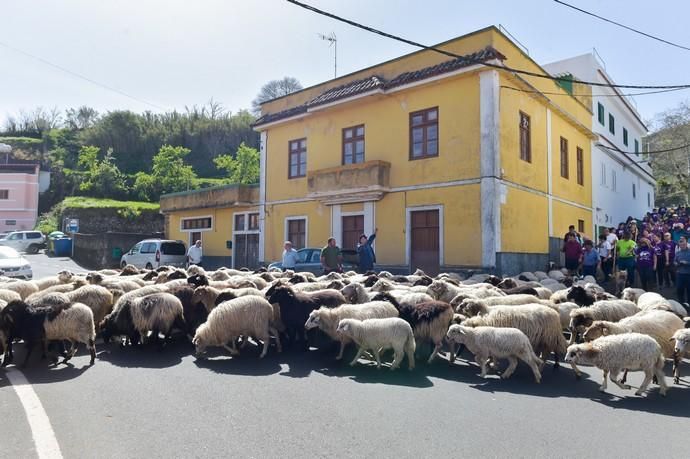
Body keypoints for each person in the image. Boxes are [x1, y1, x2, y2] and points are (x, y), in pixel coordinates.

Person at [674, 236, 690, 304]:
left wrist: (687, 263)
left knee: (689, 290)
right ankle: (682, 303)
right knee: (679, 289)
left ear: (686, 243)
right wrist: (676, 263)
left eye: (683, 244)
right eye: (680, 244)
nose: (682, 245)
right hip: (680, 274)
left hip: (688, 274)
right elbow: (674, 261)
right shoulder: (678, 253)